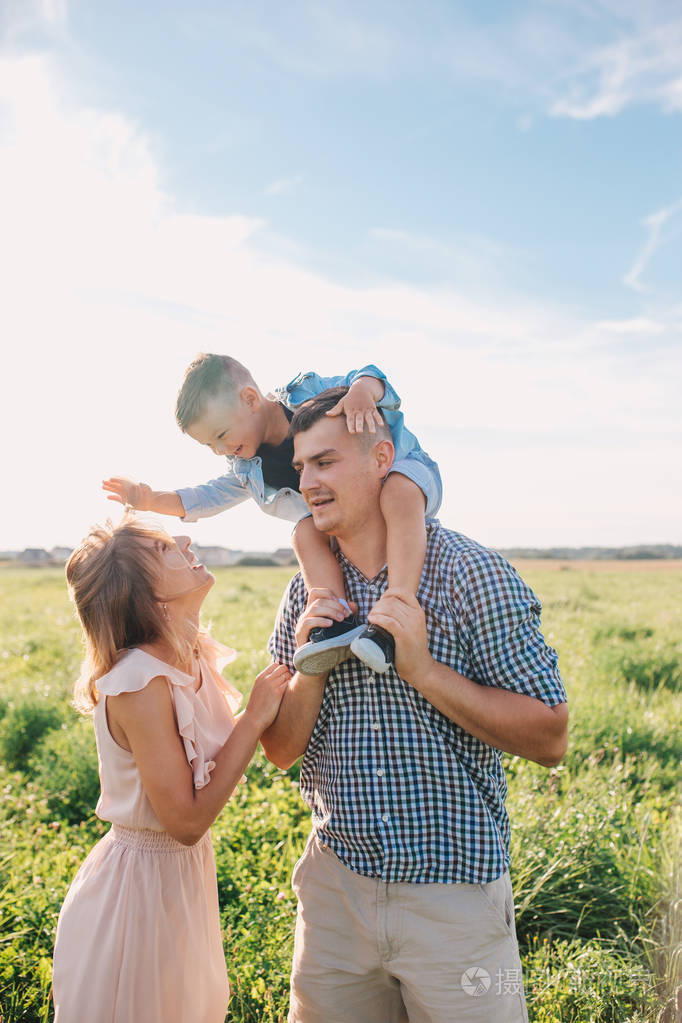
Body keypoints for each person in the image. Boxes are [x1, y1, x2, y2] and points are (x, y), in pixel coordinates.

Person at [261, 389, 569, 1023]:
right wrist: (309, 667)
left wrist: (423, 671)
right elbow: (281, 750)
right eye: (300, 469)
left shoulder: (470, 573)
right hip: (335, 895)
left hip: (453, 905)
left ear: (382, 459)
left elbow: (550, 736)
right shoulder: (304, 594)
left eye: (325, 462)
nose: (308, 483)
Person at [51, 515, 290, 1023]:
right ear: (148, 595)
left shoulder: (192, 654)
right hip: (137, 891)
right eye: (164, 549)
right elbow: (183, 822)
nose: (185, 539)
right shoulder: (140, 682)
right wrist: (256, 715)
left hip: (179, 880)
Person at [102, 353, 441, 676]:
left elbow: (370, 375)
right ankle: (335, 621)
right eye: (209, 446)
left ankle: (395, 613)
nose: (220, 450)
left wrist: (362, 392)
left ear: (250, 399)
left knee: (399, 492)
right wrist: (147, 498)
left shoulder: (307, 394)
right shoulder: (247, 468)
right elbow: (205, 497)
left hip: (402, 470)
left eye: (221, 435)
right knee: (303, 533)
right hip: (344, 517)